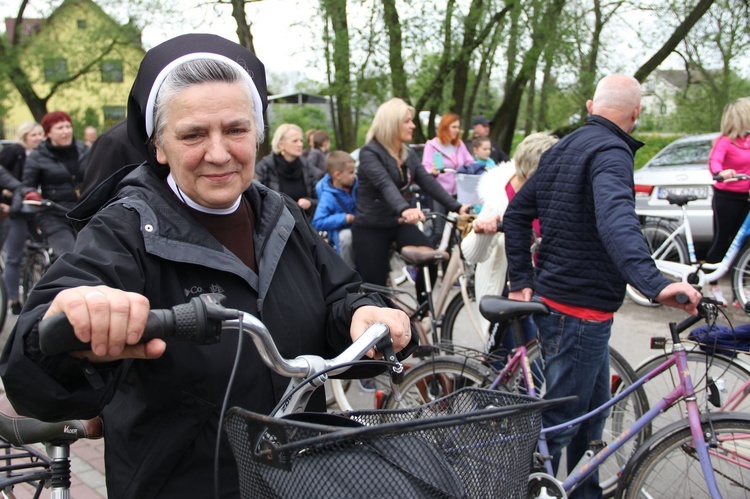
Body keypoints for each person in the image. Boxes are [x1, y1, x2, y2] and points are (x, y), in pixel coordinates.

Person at [0, 33, 414, 498]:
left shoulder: (280, 214)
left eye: (235, 130)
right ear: (159, 147)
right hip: (183, 484)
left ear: (256, 136)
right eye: (194, 134)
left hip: (297, 477)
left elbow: (339, 294)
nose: (218, 153)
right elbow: (30, 364)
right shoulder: (124, 229)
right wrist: (71, 326)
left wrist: (365, 316)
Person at [503, 74, 702, 499]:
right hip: (580, 309)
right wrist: (655, 284)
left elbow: (516, 212)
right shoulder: (611, 152)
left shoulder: (564, 147)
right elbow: (616, 219)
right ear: (636, 112)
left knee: (590, 419)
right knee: (561, 426)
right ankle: (508, 489)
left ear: (592, 106)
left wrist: (522, 279)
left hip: (559, 300)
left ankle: (584, 493)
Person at [354, 98, 469, 303]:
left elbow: (429, 183)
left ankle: (421, 312)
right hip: (371, 226)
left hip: (398, 224)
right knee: (377, 290)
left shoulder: (407, 154)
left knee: (433, 258)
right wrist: (404, 209)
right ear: (392, 124)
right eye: (407, 121)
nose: (413, 125)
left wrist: (458, 207)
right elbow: (384, 183)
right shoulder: (370, 152)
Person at [460, 132, 558, 335]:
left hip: (546, 284)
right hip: (508, 286)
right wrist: (482, 232)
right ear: (532, 172)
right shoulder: (499, 198)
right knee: (515, 356)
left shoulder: (551, 192)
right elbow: (472, 254)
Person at [22, 111, 88, 257]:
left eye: (68, 126)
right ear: (48, 133)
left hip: (83, 212)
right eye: (59, 128)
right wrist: (31, 194)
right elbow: (27, 185)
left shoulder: (84, 150)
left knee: (92, 253)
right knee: (69, 256)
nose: (65, 131)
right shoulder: (37, 156)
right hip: (53, 214)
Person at [0, 122, 45, 314]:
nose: (38, 138)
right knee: (14, 255)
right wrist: (8, 195)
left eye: (40, 134)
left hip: (36, 210)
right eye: (33, 134)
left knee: (42, 248)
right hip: (16, 210)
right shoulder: (15, 151)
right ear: (25, 136)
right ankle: (12, 299)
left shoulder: (44, 155)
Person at [705, 98, 750, 267]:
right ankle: (711, 281)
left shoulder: (748, 140)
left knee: (744, 242)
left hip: (745, 197)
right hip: (726, 198)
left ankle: (739, 281)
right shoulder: (724, 141)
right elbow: (714, 161)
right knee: (722, 240)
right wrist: (721, 172)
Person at [422, 113, 474, 241]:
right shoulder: (432, 145)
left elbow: (470, 162)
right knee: (439, 230)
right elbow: (425, 168)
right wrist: (432, 171)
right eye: (454, 127)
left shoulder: (459, 145)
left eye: (458, 127)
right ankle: (430, 255)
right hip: (439, 193)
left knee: (458, 230)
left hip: (458, 192)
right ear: (445, 127)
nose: (457, 130)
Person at [255, 123, 322, 219]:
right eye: (295, 141)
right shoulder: (265, 167)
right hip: (275, 226)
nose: (300, 144)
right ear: (281, 144)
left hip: (305, 226)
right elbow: (256, 200)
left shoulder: (308, 167)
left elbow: (322, 200)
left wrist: (310, 203)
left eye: (301, 141)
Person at [312, 150, 357, 267]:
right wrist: (343, 218)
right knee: (346, 238)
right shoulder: (328, 196)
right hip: (341, 232)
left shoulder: (357, 186)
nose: (354, 176)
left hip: (360, 226)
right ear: (337, 175)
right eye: (351, 172)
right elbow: (318, 222)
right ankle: (350, 272)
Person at [80, 119, 145, 198]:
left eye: (93, 134)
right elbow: (93, 196)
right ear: (85, 136)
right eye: (90, 134)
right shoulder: (110, 141)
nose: (92, 136)